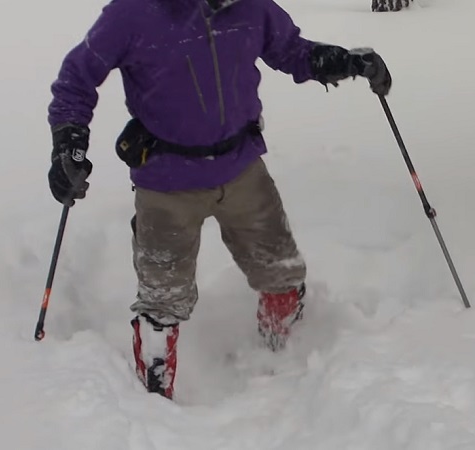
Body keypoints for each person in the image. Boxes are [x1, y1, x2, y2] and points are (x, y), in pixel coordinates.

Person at [46, 0, 391, 399]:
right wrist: (68, 141)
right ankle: (155, 403)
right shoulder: (132, 12)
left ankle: (283, 359)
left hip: (242, 169)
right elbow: (77, 78)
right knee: (162, 303)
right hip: (166, 181)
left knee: (282, 274)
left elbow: (293, 51)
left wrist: (348, 62)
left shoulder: (251, 7)